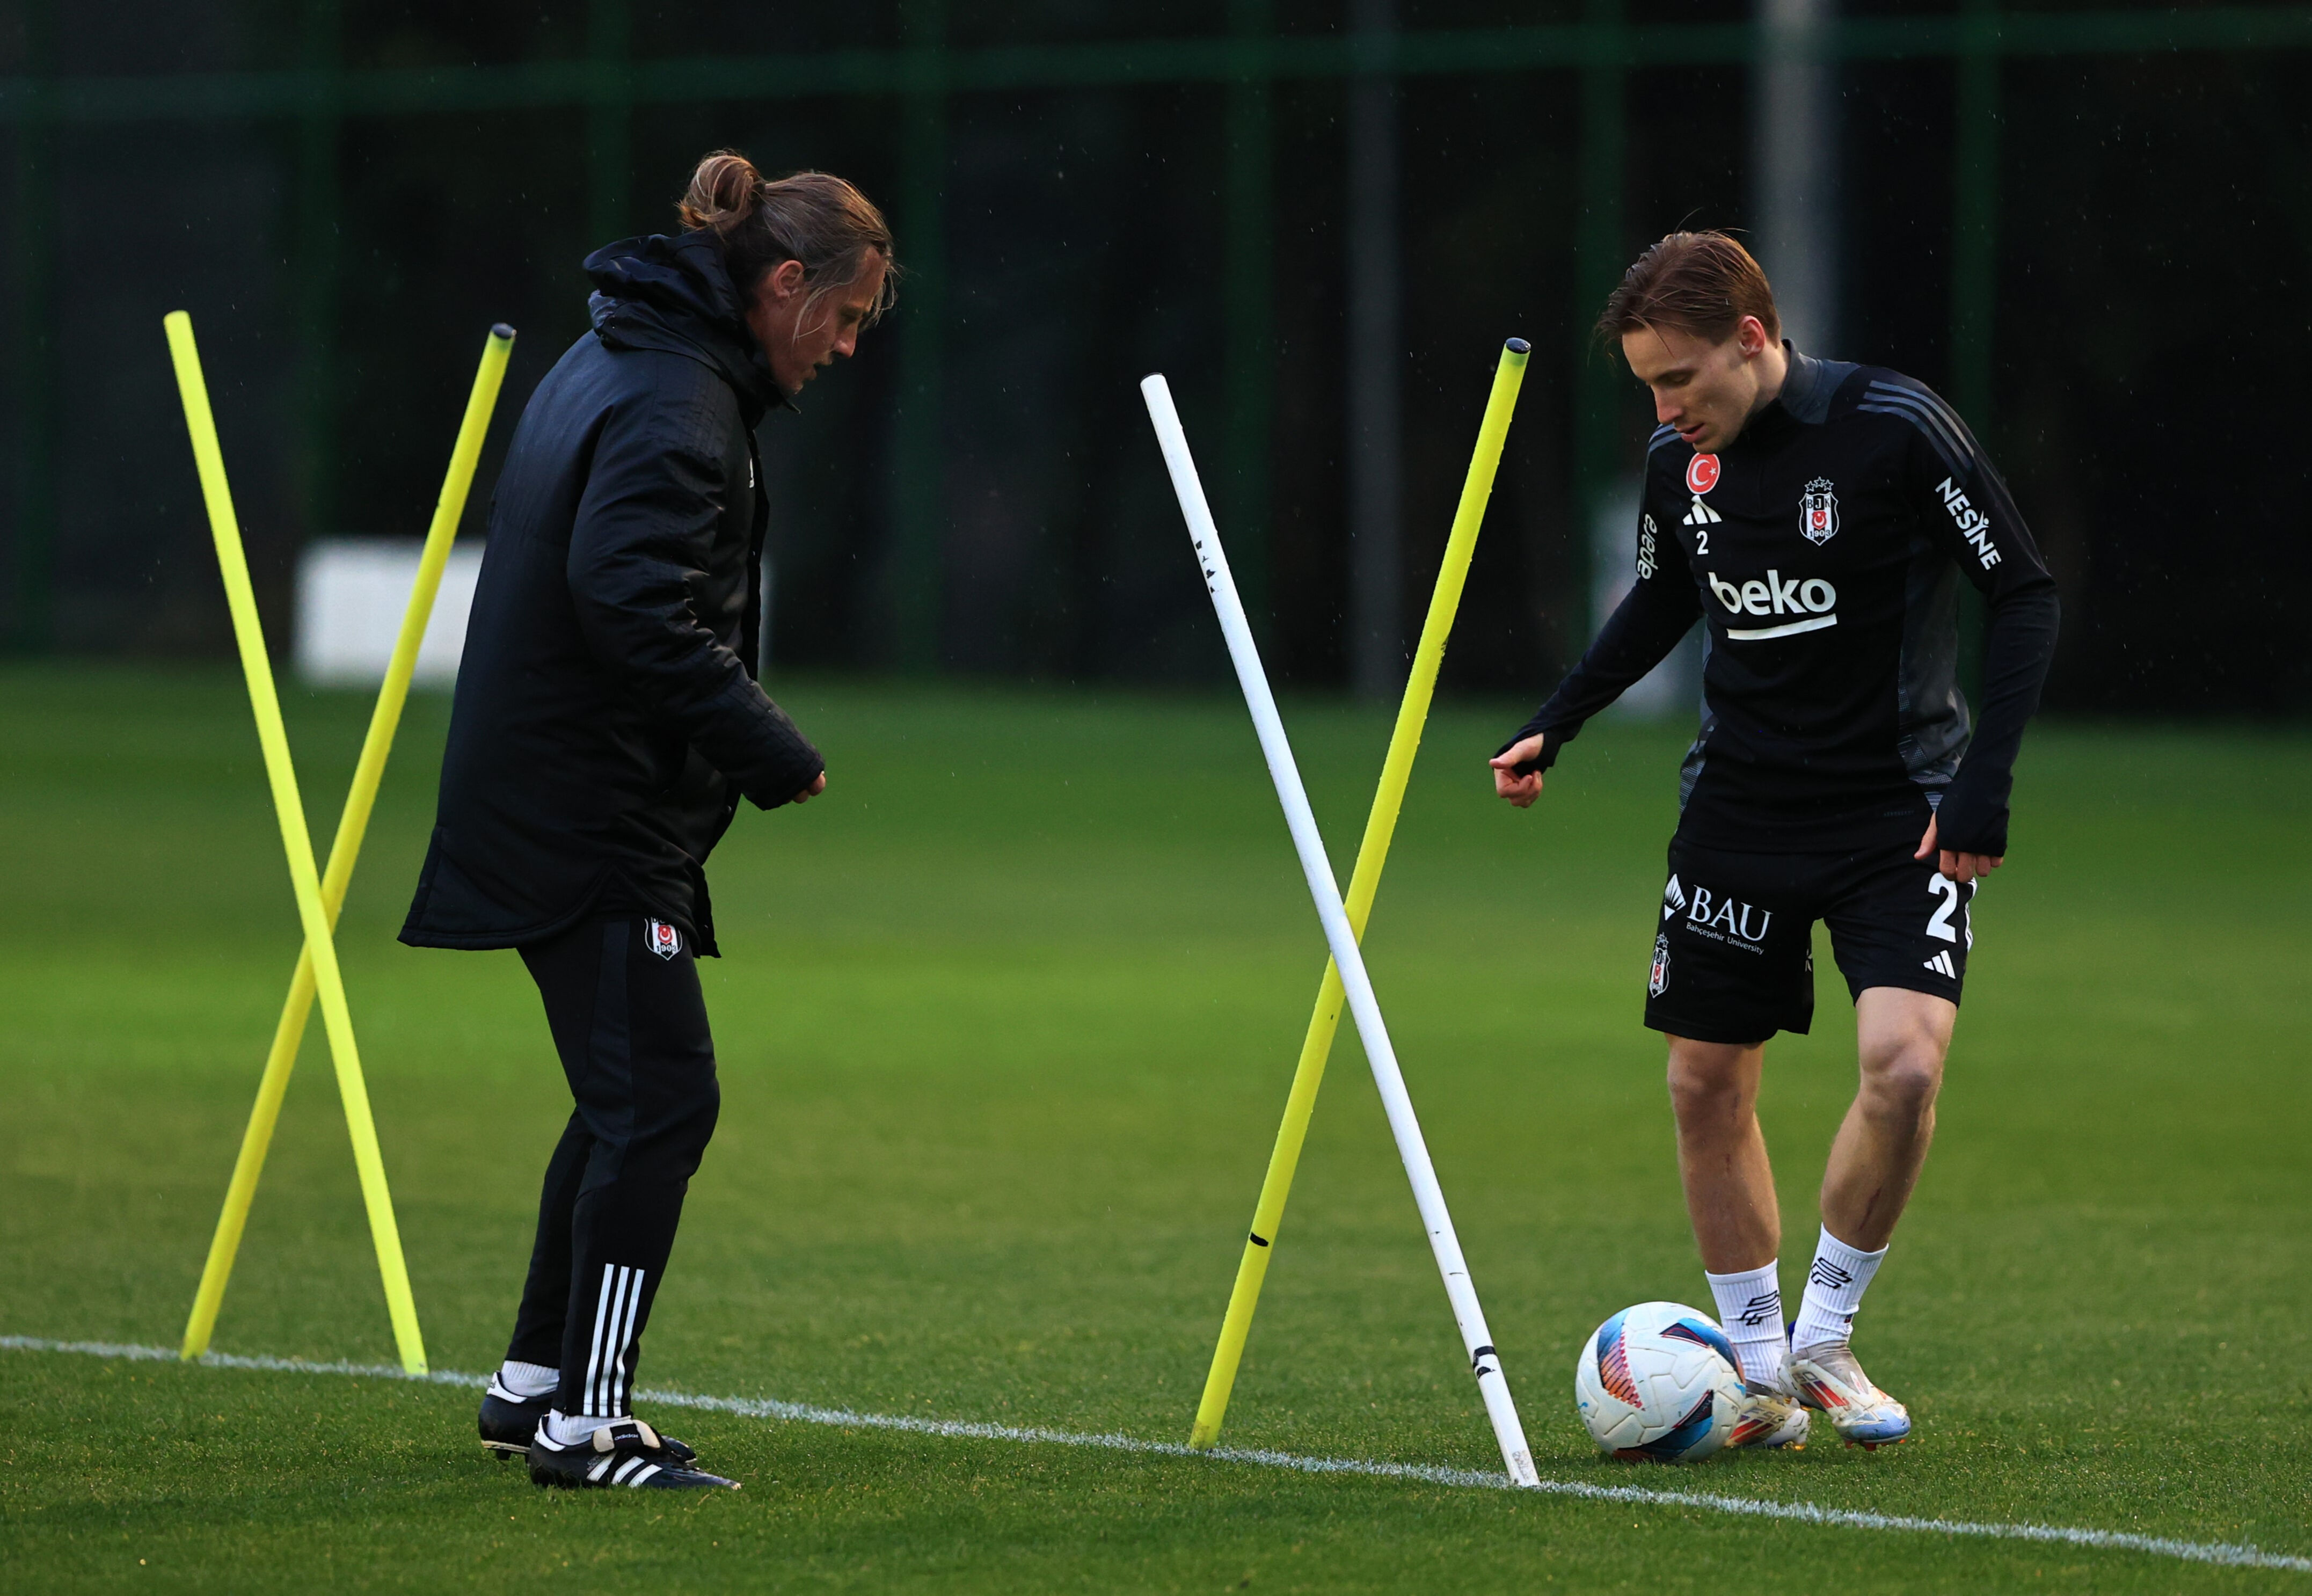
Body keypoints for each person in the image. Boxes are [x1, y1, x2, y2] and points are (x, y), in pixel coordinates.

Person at [1491, 232, 2058, 1449]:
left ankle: (1824, 1337)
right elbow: (1663, 596)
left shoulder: (1896, 427)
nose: (1664, 409)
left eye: (1680, 378)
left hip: (1899, 808)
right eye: (1648, 385)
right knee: (1704, 1080)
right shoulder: (1677, 464)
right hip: (1739, 809)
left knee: (1906, 1068)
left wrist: (1984, 787)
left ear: (1751, 338)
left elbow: (2023, 588)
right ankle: (1755, 1369)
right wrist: (1559, 720)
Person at [400, 151, 895, 1491]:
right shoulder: (680, 398)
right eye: (846, 316)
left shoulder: (625, 353)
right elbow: (628, 602)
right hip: (589, 815)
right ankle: (588, 1422)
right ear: (784, 283)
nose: (848, 346)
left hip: (560, 796)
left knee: (625, 1093)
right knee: (663, 1100)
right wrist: (767, 745)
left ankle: (534, 1383)